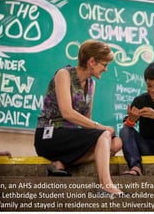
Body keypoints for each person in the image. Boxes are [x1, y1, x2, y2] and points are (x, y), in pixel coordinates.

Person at [34, 39, 123, 195]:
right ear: (92, 62)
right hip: (50, 134)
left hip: (72, 138)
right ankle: (106, 185)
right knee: (104, 134)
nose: (106, 69)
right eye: (104, 64)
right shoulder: (64, 74)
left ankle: (61, 163)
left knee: (116, 143)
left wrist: (101, 131)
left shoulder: (91, 84)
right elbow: (67, 112)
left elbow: (85, 120)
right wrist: (102, 128)